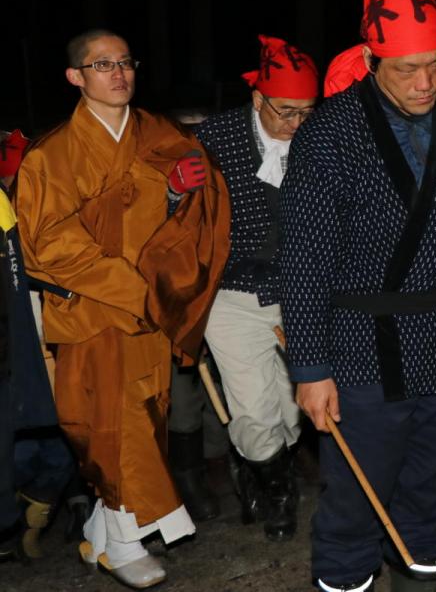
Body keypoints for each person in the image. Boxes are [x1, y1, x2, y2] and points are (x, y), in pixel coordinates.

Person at [281, 0, 436, 592]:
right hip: (358, 346)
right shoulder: (329, 133)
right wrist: (311, 368)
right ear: (373, 56)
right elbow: (304, 258)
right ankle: (345, 581)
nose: (425, 81)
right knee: (356, 498)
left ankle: (422, 577)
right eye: (408, 68)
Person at [16, 30, 230, 588]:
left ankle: (104, 532)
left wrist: (180, 196)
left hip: (152, 306)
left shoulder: (160, 133)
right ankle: (127, 543)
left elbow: (188, 212)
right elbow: (47, 246)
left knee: (148, 415)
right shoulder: (51, 153)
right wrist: (136, 290)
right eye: (102, 64)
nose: (119, 73)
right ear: (75, 77)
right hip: (94, 310)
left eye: (126, 62)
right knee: (111, 423)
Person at [194, 35, 319, 541]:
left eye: (307, 112)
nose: (296, 124)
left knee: (294, 407)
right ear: (257, 98)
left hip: (301, 291)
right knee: (252, 408)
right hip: (233, 292)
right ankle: (279, 493)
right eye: (286, 112)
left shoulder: (320, 135)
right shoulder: (214, 138)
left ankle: (261, 465)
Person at [0, 130, 67, 563]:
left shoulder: (45, 211)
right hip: (14, 349)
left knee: (63, 444)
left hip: (49, 339)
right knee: (18, 448)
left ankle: (35, 521)